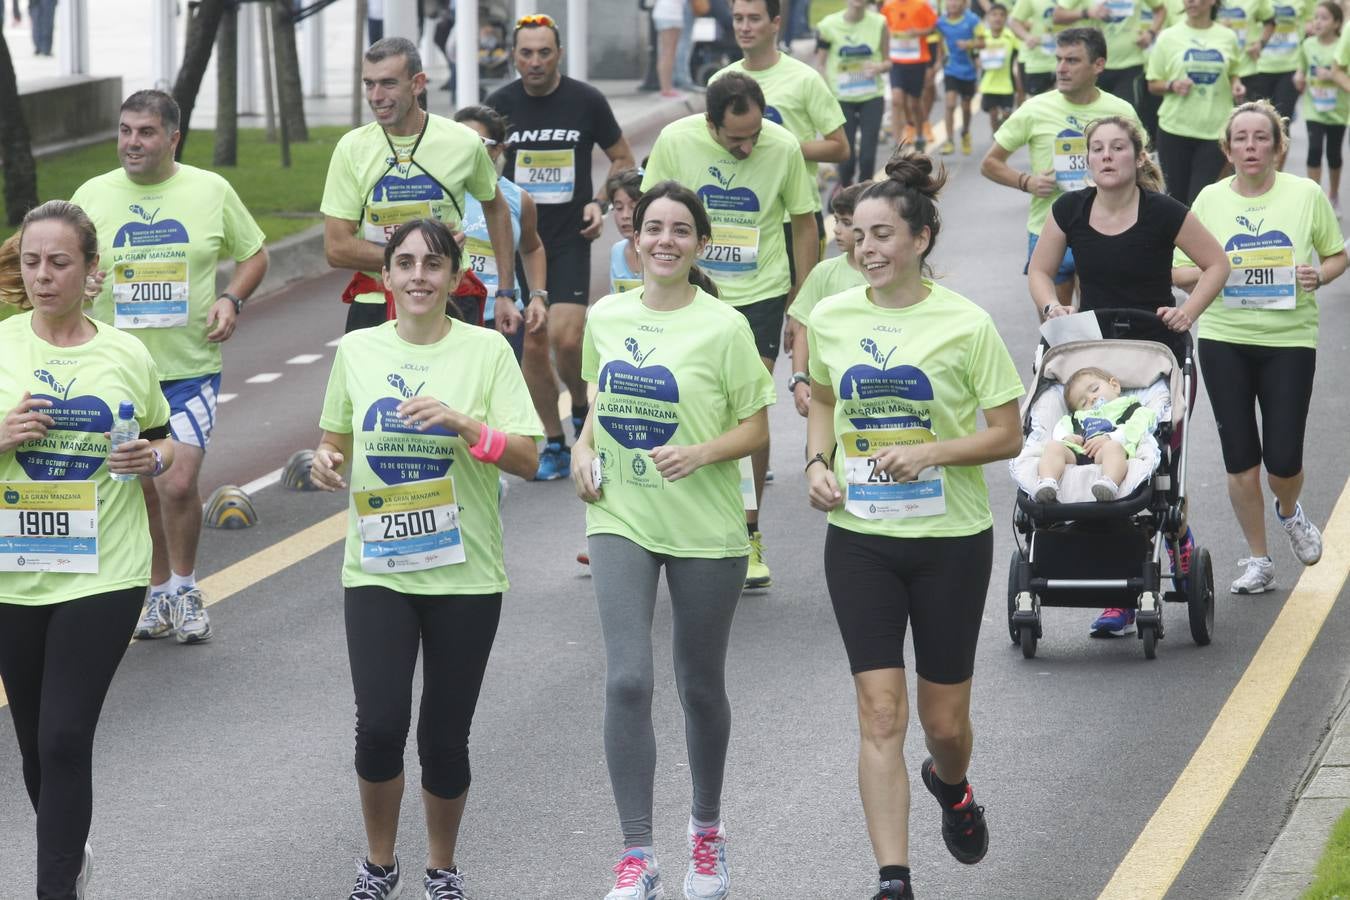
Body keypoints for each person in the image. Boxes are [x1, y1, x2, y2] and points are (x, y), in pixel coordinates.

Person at [804, 149, 1024, 900]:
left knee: (944, 724)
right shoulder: (831, 318)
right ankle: (893, 878)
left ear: (920, 239)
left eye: (882, 235)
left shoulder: (966, 324)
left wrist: (932, 451)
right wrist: (815, 463)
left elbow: (1009, 433)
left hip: (951, 542)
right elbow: (826, 397)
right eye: (858, 236)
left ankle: (952, 786)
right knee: (880, 710)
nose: (867, 249)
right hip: (861, 539)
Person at [309, 218, 542, 900]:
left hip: (465, 574)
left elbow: (527, 458)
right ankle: (380, 865)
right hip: (378, 570)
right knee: (380, 725)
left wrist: (466, 424)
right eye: (404, 263)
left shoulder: (487, 353)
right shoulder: (356, 351)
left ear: (455, 276)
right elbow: (333, 444)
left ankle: (442, 869)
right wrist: (327, 464)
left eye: (432, 264)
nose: (418, 275)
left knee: (444, 737)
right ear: (385, 277)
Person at [570, 181, 774, 900]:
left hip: (705, 526)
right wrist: (579, 450)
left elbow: (756, 429)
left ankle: (708, 834)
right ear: (634, 238)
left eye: (680, 230)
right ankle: (637, 853)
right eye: (653, 227)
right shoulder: (607, 315)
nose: (664, 240)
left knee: (699, 685)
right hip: (621, 513)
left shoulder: (724, 327)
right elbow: (600, 400)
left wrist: (704, 452)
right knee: (628, 678)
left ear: (699, 243)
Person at [0, 199, 175, 900]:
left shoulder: (126, 353)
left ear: (91, 271)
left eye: (59, 262)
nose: (43, 276)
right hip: (13, 571)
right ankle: (69, 852)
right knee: (36, 748)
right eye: (31, 262)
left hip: (105, 569)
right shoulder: (2, 345)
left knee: (66, 737)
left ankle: (55, 889)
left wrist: (150, 459)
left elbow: (163, 440)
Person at [70, 90, 267, 645]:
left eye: (146, 132)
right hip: (117, 373)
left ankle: (184, 588)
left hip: (187, 370)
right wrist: (83, 281)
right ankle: (158, 594)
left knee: (176, 480)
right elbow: (67, 261)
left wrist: (232, 298)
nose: (133, 142)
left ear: (173, 138)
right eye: (126, 130)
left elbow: (254, 253)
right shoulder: (91, 195)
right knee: (142, 488)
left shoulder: (210, 190)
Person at [642, 72, 819, 589]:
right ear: (709, 123)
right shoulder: (676, 140)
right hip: (689, 288)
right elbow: (650, 214)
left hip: (759, 293)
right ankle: (669, 521)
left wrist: (800, 301)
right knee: (684, 402)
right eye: (734, 138)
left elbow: (805, 222)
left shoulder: (782, 146)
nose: (746, 147)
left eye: (753, 135)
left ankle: (748, 533)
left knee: (746, 408)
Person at [1174, 100, 1346, 594]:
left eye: (1261, 138)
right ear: (1227, 149)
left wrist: (1319, 274)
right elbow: (1177, 268)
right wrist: (1215, 273)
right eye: (1241, 139)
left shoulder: (1305, 194)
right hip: (1226, 338)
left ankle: (1289, 511)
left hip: (1289, 339)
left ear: (1278, 147)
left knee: (1283, 460)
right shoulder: (1208, 200)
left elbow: (1336, 256)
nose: (1251, 147)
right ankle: (1258, 559)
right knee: (1239, 460)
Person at [486, 13, 637, 481]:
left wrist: (599, 204)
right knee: (533, 344)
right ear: (513, 56)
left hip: (568, 237)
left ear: (559, 54)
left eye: (544, 52)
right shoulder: (499, 105)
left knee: (567, 339)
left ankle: (578, 401)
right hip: (517, 238)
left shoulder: (585, 101)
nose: (535, 62)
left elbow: (622, 158)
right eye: (526, 53)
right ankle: (553, 440)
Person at [323, 38, 516, 336]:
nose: (376, 96)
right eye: (368, 84)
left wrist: (505, 292)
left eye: (388, 83)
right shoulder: (351, 148)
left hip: (450, 298)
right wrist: (424, 254)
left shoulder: (462, 142)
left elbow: (496, 207)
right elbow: (336, 248)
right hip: (375, 300)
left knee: (457, 384)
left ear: (418, 84)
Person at [980, 28, 1139, 307]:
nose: (1061, 69)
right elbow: (990, 163)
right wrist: (1027, 182)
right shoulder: (1035, 109)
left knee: (1102, 318)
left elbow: (1144, 166)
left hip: (1108, 226)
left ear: (1098, 65)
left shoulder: (1121, 111)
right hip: (1050, 227)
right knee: (1057, 327)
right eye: (1059, 60)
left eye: (1073, 61)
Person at [1029, 115, 1228, 325]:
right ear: (1088, 160)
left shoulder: (1165, 211)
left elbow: (1218, 264)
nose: (1106, 155)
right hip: (1093, 341)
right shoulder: (1068, 208)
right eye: (1097, 149)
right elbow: (1039, 270)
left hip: (1155, 342)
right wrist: (1052, 305)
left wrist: (1187, 312)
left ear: (1139, 158)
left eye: (1117, 148)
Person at [452, 105, 548, 339]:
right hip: (451, 313)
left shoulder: (517, 198)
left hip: (501, 312)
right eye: (456, 139)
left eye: (475, 142)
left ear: (496, 150)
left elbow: (532, 247)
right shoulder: (441, 193)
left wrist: (537, 296)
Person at [1145, 0, 1246, 205]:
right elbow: (1153, 83)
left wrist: (1237, 85)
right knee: (1176, 201)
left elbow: (1234, 72)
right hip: (1174, 128)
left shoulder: (1227, 36)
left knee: (1200, 201)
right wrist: (1172, 85)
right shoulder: (1168, 36)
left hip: (1215, 130)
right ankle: (1173, 239)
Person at [786, 181, 872, 418]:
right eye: (836, 220)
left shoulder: (885, 275)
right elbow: (802, 327)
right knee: (823, 453)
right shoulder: (824, 273)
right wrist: (800, 379)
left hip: (874, 389)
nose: (836, 230)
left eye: (846, 223)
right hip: (826, 389)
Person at [1034, 366, 1159, 504]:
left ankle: (1109, 483)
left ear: (1114, 386)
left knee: (1113, 448)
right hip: (1079, 452)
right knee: (1053, 447)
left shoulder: (1130, 407)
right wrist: (1066, 437)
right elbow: (1060, 427)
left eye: (1095, 389)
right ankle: (1047, 482)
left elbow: (1139, 425)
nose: (1092, 398)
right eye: (1083, 403)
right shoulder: (1078, 417)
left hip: (1108, 450)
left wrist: (1110, 438)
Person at [815, 0, 891, 187]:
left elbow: (888, 61)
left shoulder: (880, 22)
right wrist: (828, 92)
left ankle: (864, 196)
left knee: (867, 157)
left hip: (871, 96)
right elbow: (820, 64)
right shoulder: (828, 25)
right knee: (846, 160)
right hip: (841, 99)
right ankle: (845, 190)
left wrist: (878, 66)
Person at [1053, 0, 1166, 115]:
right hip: (1092, 66)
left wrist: (1151, 33)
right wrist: (1086, 13)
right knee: (1091, 116)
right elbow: (1057, 15)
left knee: (1125, 117)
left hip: (1130, 64)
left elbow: (1160, 10)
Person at [1297, 1, 1347, 210]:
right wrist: (1299, 77)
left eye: (1324, 18)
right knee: (1315, 150)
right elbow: (1302, 68)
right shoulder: (1308, 45)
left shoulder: (1342, 45)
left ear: (1337, 23)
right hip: (1314, 109)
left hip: (1338, 111)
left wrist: (1331, 76)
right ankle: (1316, 199)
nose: (1317, 22)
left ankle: (1333, 194)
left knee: (1334, 155)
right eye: (1316, 17)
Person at [882, 0, 941, 149]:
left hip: (917, 60)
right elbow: (883, 29)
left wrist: (918, 32)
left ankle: (919, 135)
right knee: (896, 99)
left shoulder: (921, 5)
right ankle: (897, 142)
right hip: (896, 61)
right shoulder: (889, 6)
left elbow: (934, 26)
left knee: (914, 103)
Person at [936, 0, 982, 155]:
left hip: (968, 70)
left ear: (964, 3)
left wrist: (969, 44)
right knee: (949, 103)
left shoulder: (972, 19)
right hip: (951, 69)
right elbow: (937, 41)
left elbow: (982, 42)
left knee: (966, 106)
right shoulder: (941, 22)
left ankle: (965, 132)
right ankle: (949, 140)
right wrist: (938, 61)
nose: (953, 3)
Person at [976, 3, 1019, 132]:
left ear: (1006, 19)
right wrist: (980, 63)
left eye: (1001, 15)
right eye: (994, 15)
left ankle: (1002, 128)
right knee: (993, 113)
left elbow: (1019, 54)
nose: (997, 18)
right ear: (988, 17)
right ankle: (996, 136)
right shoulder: (983, 37)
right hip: (989, 83)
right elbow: (975, 55)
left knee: (1006, 113)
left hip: (1007, 83)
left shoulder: (1010, 36)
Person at [1010, 0, 1062, 97]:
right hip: (1036, 63)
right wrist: (1027, 37)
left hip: (1062, 61)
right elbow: (1014, 22)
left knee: (1061, 104)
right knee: (1037, 106)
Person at [608, 169, 646, 294]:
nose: (625, 215)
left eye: (633, 207)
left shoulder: (660, 251)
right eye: (618, 207)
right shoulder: (616, 251)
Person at [654, 0, 689, 97]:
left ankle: (667, 87)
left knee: (668, 53)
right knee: (668, 53)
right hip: (670, 14)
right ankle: (666, 88)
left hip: (669, 13)